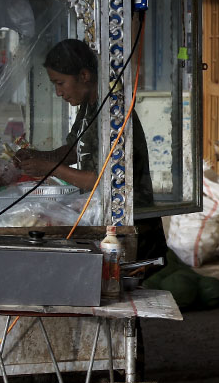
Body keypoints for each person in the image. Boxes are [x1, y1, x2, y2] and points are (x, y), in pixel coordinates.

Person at [13, 38, 166, 259]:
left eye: (60, 83)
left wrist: (50, 166)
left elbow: (103, 181)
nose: (58, 92)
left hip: (132, 226)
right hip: (100, 216)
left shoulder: (114, 113)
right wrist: (38, 157)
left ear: (84, 76)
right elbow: (77, 148)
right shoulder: (90, 104)